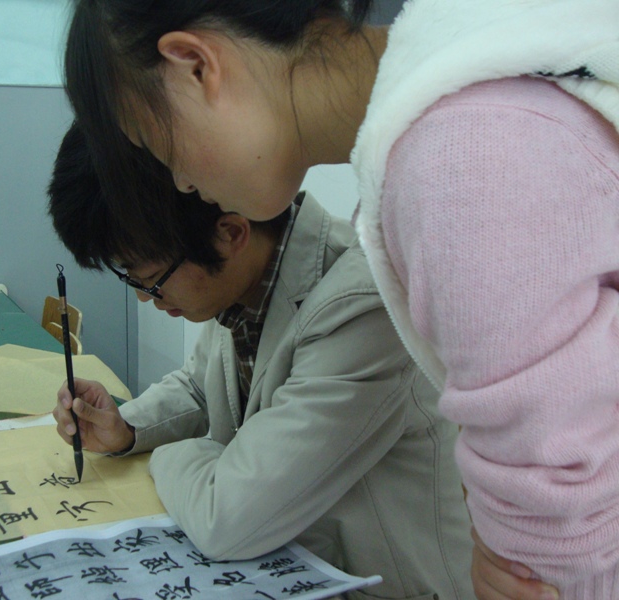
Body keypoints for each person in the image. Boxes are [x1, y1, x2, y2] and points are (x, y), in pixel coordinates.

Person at [61, 1, 619, 598]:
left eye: (160, 146)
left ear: (195, 67)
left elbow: (555, 512)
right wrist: (133, 429)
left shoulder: (462, 162)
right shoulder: (442, 137)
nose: (181, 183)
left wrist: (188, 454)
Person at [48, 123, 475, 598]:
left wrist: (176, 454)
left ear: (230, 233)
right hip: (284, 567)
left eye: (151, 279)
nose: (146, 298)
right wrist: (126, 427)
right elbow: (199, 385)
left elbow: (226, 520)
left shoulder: (362, 307)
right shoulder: (246, 275)